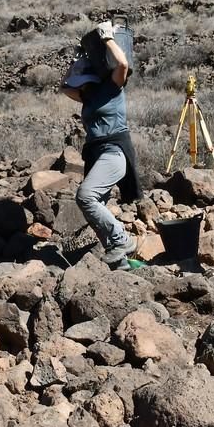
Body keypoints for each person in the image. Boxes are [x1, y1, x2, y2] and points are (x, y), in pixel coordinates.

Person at [61, 20, 141, 265]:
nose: (78, 85)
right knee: (96, 208)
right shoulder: (88, 95)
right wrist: (77, 60)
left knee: (86, 197)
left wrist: (107, 38)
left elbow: (123, 63)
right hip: (96, 154)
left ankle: (122, 241)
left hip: (114, 151)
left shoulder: (113, 87)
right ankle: (119, 261)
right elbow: (64, 87)